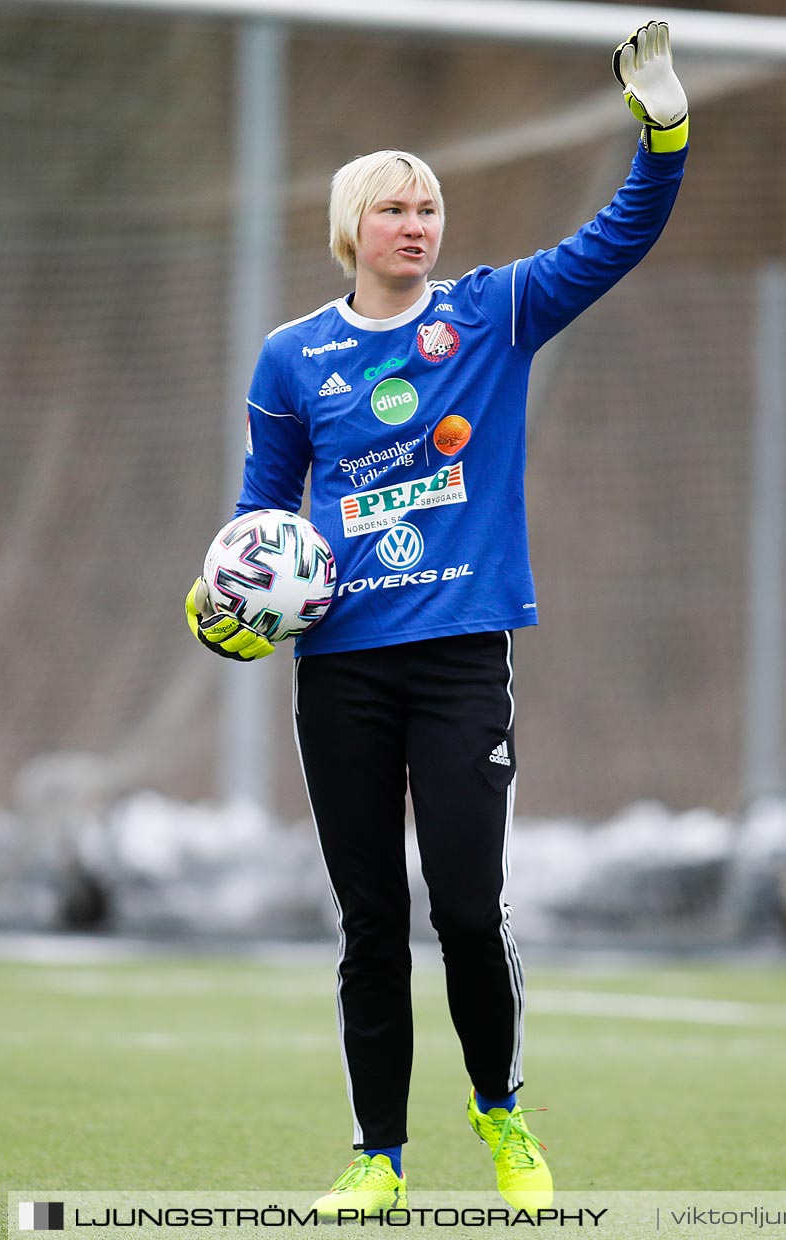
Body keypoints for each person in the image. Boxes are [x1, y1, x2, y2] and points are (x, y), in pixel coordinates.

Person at [182, 21, 689, 1217]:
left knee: (465, 905)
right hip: (343, 670)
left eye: (429, 207)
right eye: (394, 208)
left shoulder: (496, 314)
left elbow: (623, 236)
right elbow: (263, 517)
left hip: (461, 660)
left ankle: (502, 1116)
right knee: (370, 921)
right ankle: (376, 1158)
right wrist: (226, 599)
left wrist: (661, 134)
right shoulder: (293, 358)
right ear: (352, 229)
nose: (417, 224)